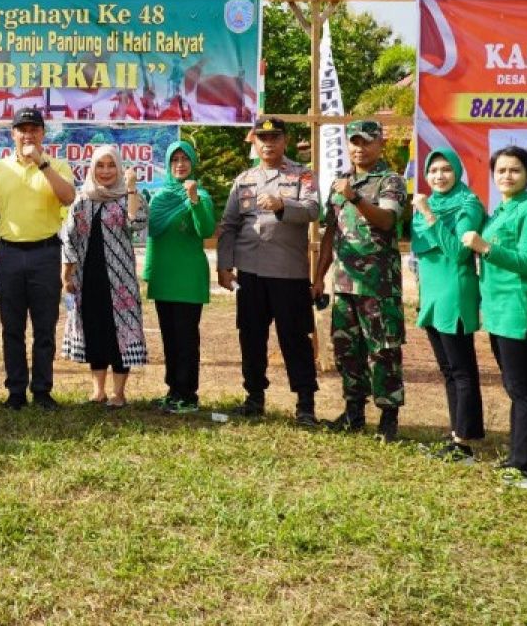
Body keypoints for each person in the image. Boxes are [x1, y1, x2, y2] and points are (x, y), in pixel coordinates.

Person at [217, 118, 320, 425]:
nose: (268, 143)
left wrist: (282, 204)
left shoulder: (303, 176)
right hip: (250, 272)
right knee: (250, 336)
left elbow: (314, 210)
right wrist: (224, 265)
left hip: (288, 273)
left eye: (274, 137)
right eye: (262, 138)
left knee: (295, 338)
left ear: (285, 140)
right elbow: (229, 226)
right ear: (254, 142)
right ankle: (253, 398)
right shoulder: (244, 179)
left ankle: (305, 403)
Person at [0, 107, 75, 410]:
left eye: (34, 129)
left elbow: (69, 197)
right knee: (12, 328)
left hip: (46, 254)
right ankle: (15, 391)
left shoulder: (57, 165)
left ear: (43, 133)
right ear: (13, 134)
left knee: (45, 327)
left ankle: (42, 390)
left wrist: (41, 163)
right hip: (10, 255)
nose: (28, 135)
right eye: (22, 129)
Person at [461, 146, 527, 489]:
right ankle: (519, 458)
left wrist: (486, 249)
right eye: (501, 171)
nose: (507, 176)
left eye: (515, 170)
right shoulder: (502, 209)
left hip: (520, 311)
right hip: (500, 312)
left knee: (524, 391)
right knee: (516, 389)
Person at [313, 120, 407, 442]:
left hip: (378, 286)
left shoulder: (390, 181)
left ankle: (388, 419)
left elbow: (386, 220)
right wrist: (318, 278)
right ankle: (353, 414)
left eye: (366, 142)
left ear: (380, 144)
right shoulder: (341, 182)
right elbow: (330, 234)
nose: (359, 148)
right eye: (354, 142)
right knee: (346, 350)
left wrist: (354, 197)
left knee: (384, 351)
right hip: (344, 284)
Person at [411, 147, 486, 462]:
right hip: (432, 296)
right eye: (433, 171)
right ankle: (459, 432)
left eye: (446, 170)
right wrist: (428, 213)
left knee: (462, 369)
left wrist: (430, 216)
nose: (439, 176)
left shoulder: (468, 205)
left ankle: (463, 443)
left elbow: (458, 252)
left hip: (454, 294)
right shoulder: (431, 204)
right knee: (448, 369)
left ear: (457, 172)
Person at [61, 146, 148, 407]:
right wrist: (67, 272)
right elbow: (68, 236)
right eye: (101, 165)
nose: (106, 171)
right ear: (92, 168)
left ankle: (119, 393)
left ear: (120, 168)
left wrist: (131, 188)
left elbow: (137, 225)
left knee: (119, 332)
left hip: (120, 281)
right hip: (88, 279)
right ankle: (98, 391)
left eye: (111, 165)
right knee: (95, 329)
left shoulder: (129, 197)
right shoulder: (83, 198)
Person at [143, 140, 216, 414]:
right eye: (175, 160)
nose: (180, 165)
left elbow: (206, 229)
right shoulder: (160, 197)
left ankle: (188, 395)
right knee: (169, 339)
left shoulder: (202, 195)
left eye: (185, 160)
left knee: (186, 339)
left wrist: (194, 200)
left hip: (187, 279)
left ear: (193, 163)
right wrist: (149, 272)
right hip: (164, 277)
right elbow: (152, 236)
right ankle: (173, 391)